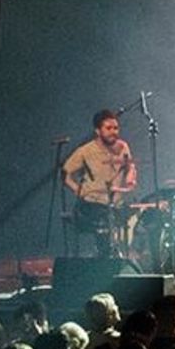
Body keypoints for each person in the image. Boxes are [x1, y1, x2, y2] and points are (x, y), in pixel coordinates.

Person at [61, 109, 137, 260]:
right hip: (93, 204)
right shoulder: (85, 151)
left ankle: (128, 255)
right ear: (97, 131)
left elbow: (131, 167)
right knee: (104, 223)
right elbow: (65, 173)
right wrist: (78, 191)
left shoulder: (123, 147)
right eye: (108, 128)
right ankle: (107, 257)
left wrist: (130, 179)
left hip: (116, 202)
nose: (113, 132)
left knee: (142, 214)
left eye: (116, 128)